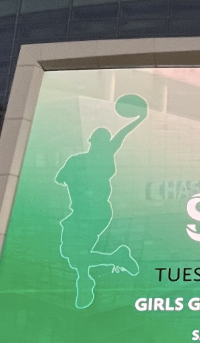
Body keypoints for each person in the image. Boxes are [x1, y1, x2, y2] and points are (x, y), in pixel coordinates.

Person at [55, 93, 146, 309]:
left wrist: (139, 119)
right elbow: (60, 178)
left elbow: (121, 135)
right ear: (94, 143)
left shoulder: (99, 157)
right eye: (99, 141)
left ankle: (85, 282)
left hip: (96, 213)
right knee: (71, 254)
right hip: (79, 213)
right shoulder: (80, 160)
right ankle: (114, 260)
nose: (100, 144)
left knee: (76, 254)